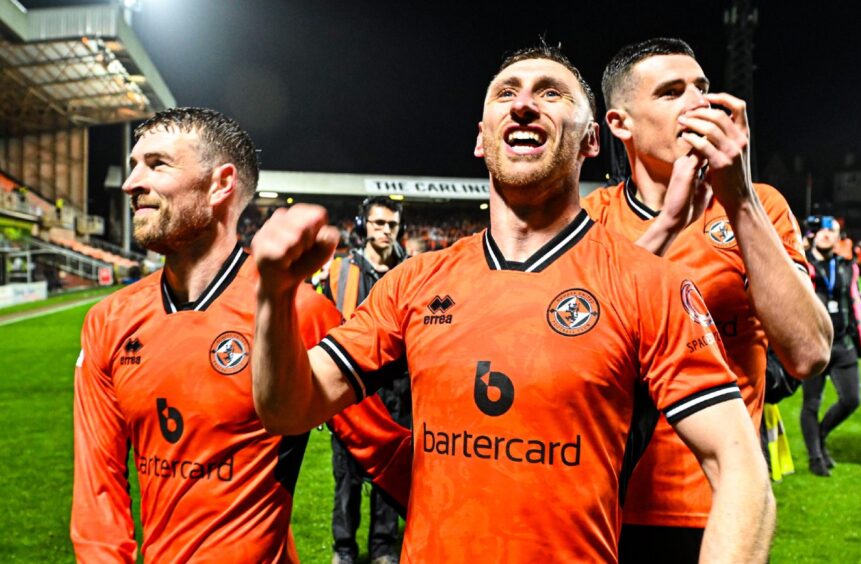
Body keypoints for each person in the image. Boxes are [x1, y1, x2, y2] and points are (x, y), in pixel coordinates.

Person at [251, 45, 774, 563]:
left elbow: (741, 469)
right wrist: (274, 299)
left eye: (551, 93)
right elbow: (288, 408)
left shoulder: (651, 284)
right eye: (506, 93)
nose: (524, 105)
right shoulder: (415, 282)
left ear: (592, 139)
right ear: (482, 138)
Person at [581, 37, 832, 561]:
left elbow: (809, 352)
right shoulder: (594, 218)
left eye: (703, 87)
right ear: (621, 124)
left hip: (721, 509)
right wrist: (670, 225)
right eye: (671, 92)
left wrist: (738, 198)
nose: (697, 103)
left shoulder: (760, 206)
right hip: (604, 506)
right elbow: (575, 352)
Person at [71, 108, 341, 562]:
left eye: (157, 165)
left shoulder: (298, 309)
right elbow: (98, 488)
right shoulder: (109, 319)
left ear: (220, 184)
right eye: (135, 164)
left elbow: (383, 449)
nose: (131, 183)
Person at [323, 196, 410, 564]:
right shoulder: (340, 271)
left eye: (391, 225)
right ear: (363, 225)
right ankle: (344, 549)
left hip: (398, 389)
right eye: (377, 223)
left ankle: (383, 548)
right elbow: (324, 325)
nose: (385, 231)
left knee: (388, 473)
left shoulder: (412, 269)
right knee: (347, 477)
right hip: (352, 389)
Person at [801, 216, 861, 476]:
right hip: (813, 345)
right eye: (820, 230)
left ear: (838, 236)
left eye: (830, 231)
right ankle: (815, 458)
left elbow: (856, 305)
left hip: (843, 344)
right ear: (812, 234)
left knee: (852, 399)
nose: (825, 234)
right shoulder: (801, 264)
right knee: (811, 403)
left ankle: (820, 434)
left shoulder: (846, 266)